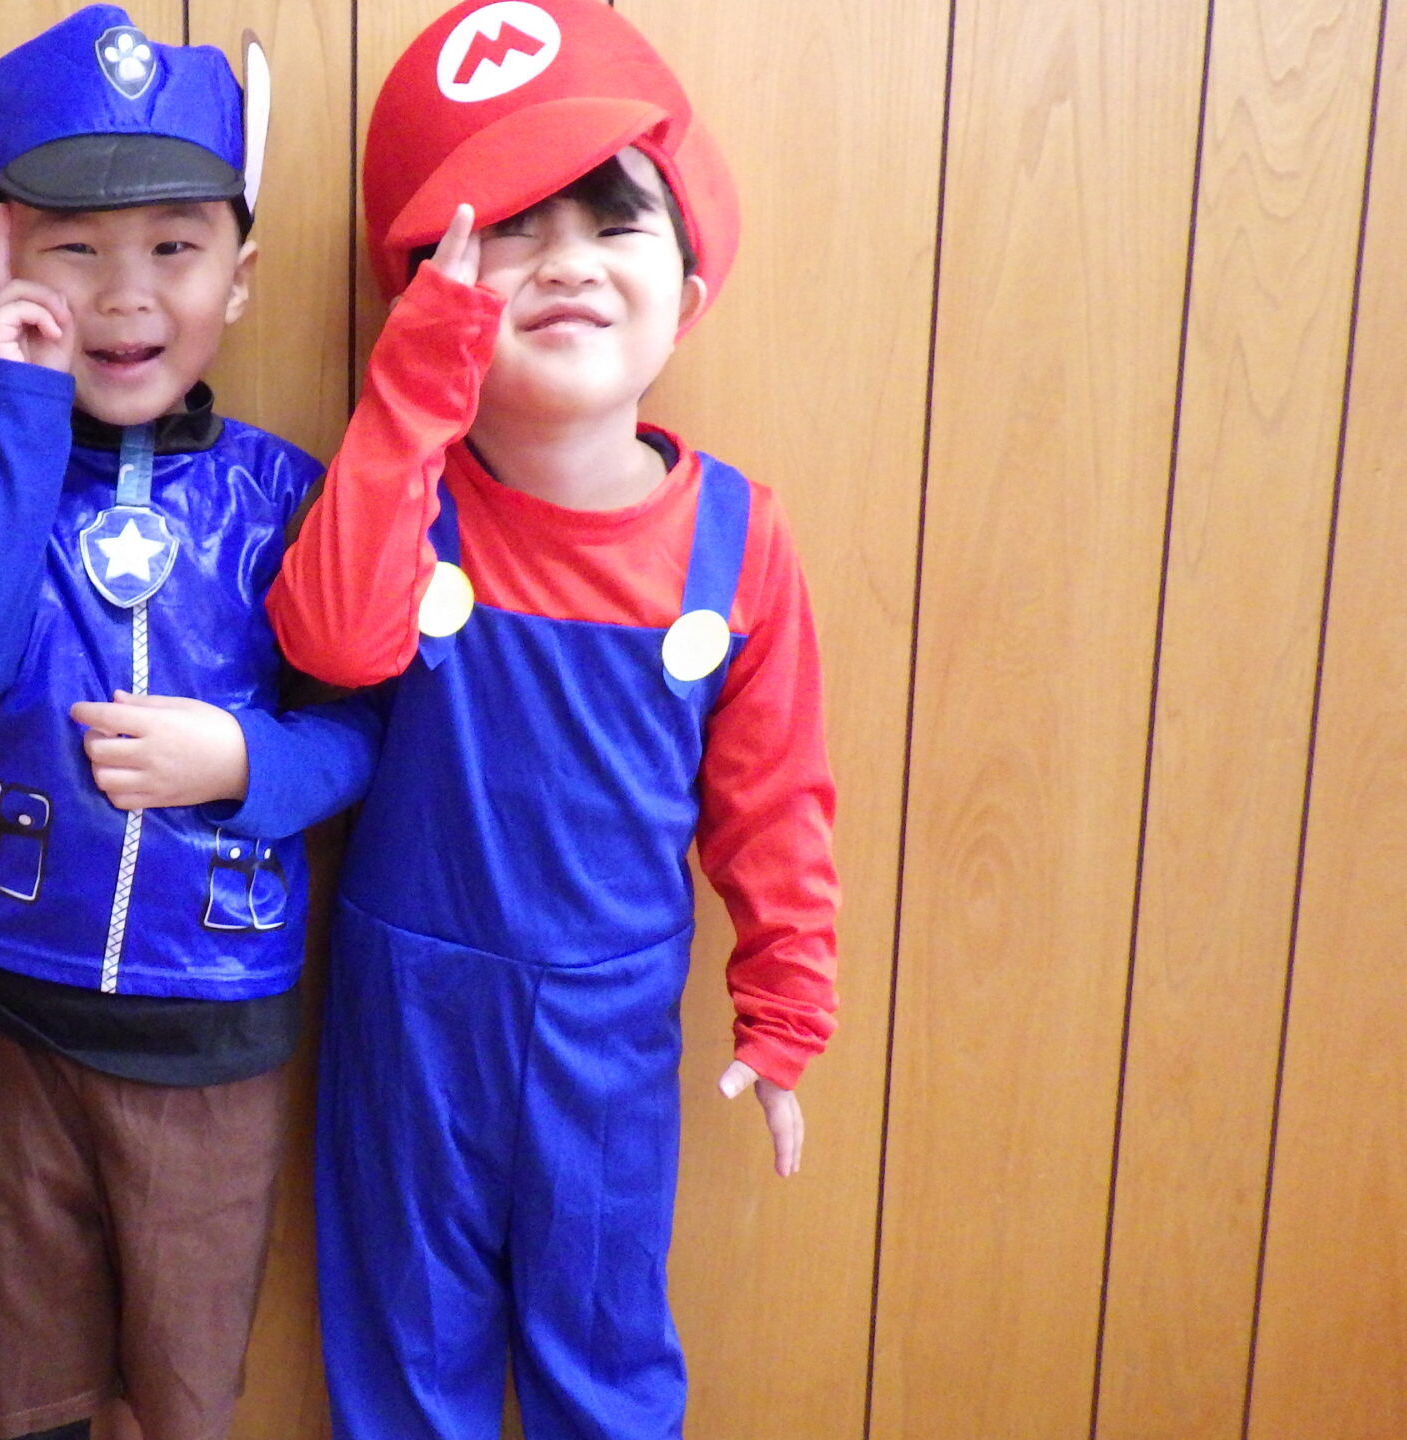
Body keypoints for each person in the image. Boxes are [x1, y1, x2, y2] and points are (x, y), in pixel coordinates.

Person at [266, 2, 840, 1435]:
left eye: (612, 220)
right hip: (409, 1010)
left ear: (688, 280)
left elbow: (776, 802)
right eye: (510, 228)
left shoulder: (737, 542)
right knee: (407, 1358)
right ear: (429, 291)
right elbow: (327, 636)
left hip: (608, 1025)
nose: (567, 259)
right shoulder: (406, 503)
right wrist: (414, 384)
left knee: (604, 1353)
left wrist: (786, 1002)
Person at [0, 10, 374, 1440]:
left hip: (210, 1034)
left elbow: (359, 729)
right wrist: (14, 402)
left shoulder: (289, 496)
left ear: (240, 277)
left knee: (176, 1388)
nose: (125, 294)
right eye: (72, 249)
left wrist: (248, 761)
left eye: (174, 246)